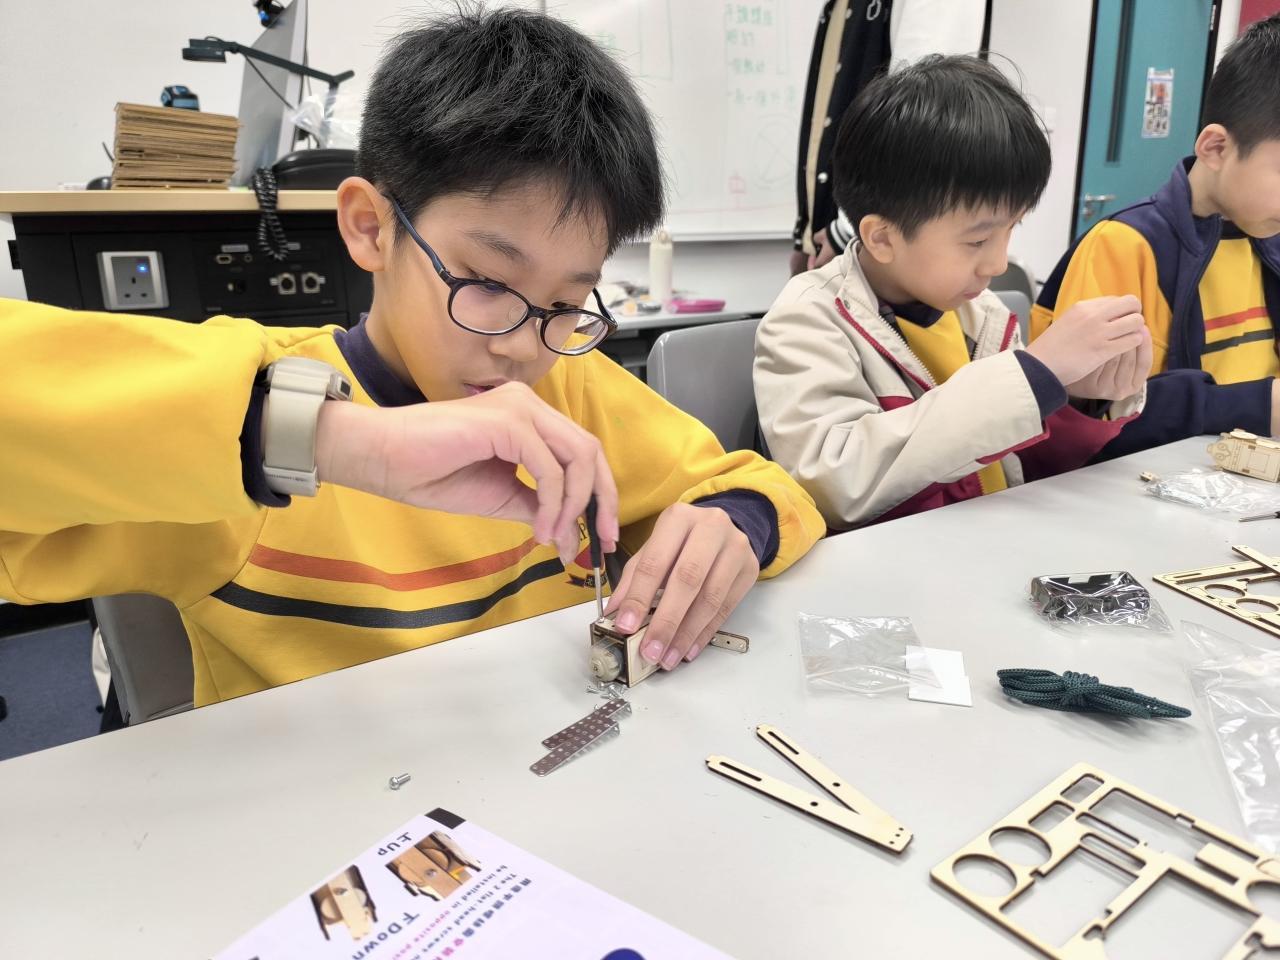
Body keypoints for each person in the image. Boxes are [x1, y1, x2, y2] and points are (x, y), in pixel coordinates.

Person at [0, 9, 824, 706]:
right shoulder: (248, 408)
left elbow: (759, 484)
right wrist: (328, 441)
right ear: (370, 227)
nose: (522, 348)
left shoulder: (574, 387)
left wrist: (736, 523)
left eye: (566, 303)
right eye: (487, 282)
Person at [756, 55, 1151, 530]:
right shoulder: (808, 319)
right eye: (978, 241)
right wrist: (1031, 377)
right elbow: (836, 483)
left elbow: (1020, 468)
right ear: (882, 238)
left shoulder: (980, 313)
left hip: (986, 545)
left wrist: (1075, 399)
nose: (998, 264)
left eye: (1012, 229)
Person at [1031, 13, 1280, 458]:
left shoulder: (1268, 236)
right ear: (1216, 148)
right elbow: (1085, 430)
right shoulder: (1124, 246)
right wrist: (1259, 407)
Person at [791, 0, 987, 275]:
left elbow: (926, 112)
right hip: (849, 237)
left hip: (872, 240)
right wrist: (808, 231)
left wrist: (846, 231)